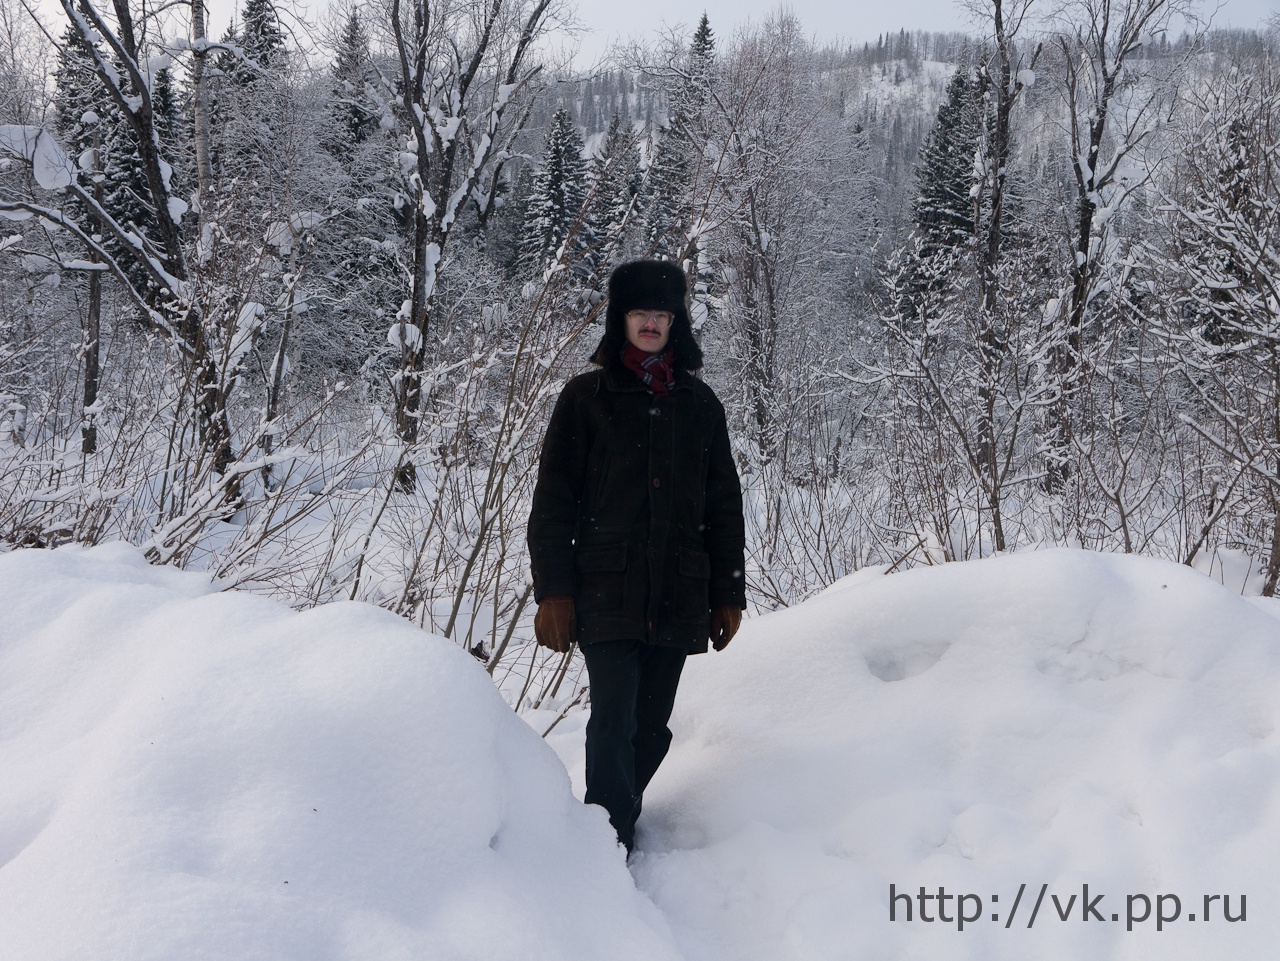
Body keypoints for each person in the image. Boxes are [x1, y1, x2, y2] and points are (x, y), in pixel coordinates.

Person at [527, 259, 747, 854]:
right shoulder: (585, 399)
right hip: (607, 589)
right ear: (620, 319)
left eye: (661, 314)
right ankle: (606, 847)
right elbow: (553, 502)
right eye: (639, 313)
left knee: (651, 728)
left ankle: (615, 819)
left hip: (679, 590)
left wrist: (727, 594)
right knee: (613, 719)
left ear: (676, 322)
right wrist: (554, 590)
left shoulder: (700, 405)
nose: (651, 324)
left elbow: (724, 504)